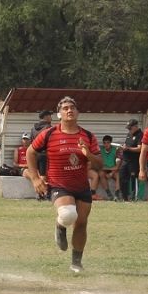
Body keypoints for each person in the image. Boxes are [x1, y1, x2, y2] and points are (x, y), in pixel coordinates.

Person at [26, 96, 102, 273]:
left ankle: (76, 263)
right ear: (59, 114)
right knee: (68, 215)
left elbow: (99, 164)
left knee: (81, 224)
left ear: (78, 112)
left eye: (73, 108)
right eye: (65, 108)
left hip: (82, 186)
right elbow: (31, 152)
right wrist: (35, 178)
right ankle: (60, 226)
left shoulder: (88, 136)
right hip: (59, 184)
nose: (69, 110)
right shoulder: (49, 134)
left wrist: (88, 153)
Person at [119, 119, 143, 201]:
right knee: (122, 177)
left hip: (134, 161)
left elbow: (140, 149)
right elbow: (127, 144)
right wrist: (123, 147)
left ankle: (134, 197)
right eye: (128, 128)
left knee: (133, 178)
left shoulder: (140, 135)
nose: (129, 130)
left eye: (130, 128)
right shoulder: (129, 134)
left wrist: (128, 148)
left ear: (135, 127)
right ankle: (124, 197)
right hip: (125, 160)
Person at [30, 110, 53, 180]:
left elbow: (31, 142)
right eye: (50, 116)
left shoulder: (33, 128)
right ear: (46, 117)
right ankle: (44, 191)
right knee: (44, 175)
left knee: (37, 174)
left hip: (35, 154)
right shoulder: (49, 127)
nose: (51, 118)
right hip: (45, 155)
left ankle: (38, 190)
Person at [98, 135, 120, 200]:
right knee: (101, 174)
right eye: (104, 143)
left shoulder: (116, 150)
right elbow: (100, 166)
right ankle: (109, 194)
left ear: (111, 143)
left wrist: (111, 173)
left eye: (108, 143)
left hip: (113, 170)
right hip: (105, 170)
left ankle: (117, 194)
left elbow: (117, 166)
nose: (106, 144)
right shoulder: (100, 150)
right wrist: (106, 170)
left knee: (117, 175)